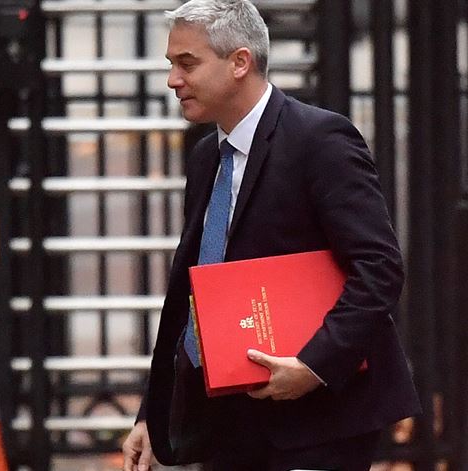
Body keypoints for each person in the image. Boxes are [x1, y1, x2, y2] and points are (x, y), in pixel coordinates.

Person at [122, 1, 420, 470]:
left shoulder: (320, 139)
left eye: (187, 63)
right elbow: (193, 295)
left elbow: (379, 267)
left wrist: (314, 367)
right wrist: (151, 415)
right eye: (171, 65)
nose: (172, 80)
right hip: (230, 428)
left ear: (239, 62)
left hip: (320, 428)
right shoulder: (206, 159)